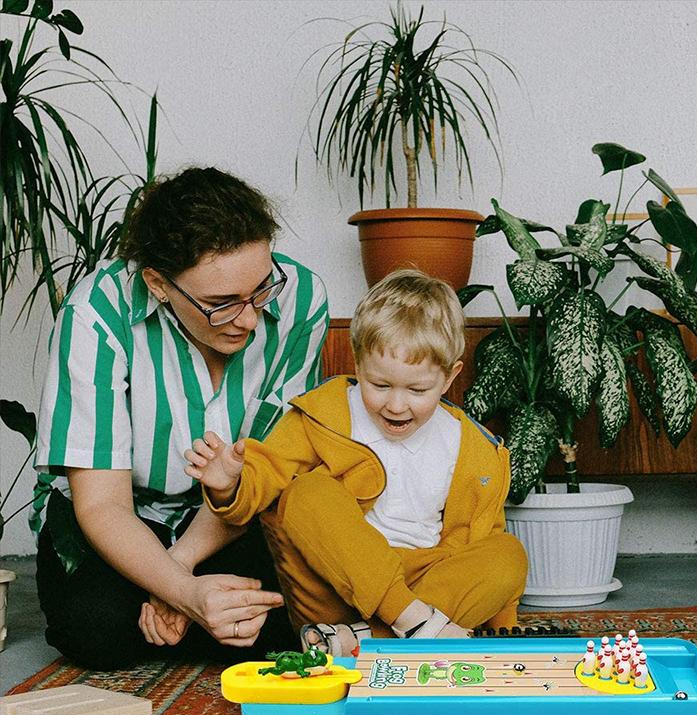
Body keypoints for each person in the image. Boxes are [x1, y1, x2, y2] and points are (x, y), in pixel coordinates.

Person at [33, 167, 328, 669]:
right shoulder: (95, 314)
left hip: (233, 515)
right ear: (158, 284)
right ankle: (187, 616)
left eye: (260, 290)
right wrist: (186, 593)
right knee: (97, 633)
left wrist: (180, 574)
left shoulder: (301, 298)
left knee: (273, 626)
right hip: (118, 518)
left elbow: (271, 471)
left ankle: (186, 614)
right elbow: (103, 506)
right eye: (221, 304)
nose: (251, 318)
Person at [186, 269, 528, 657]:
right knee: (308, 491)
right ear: (359, 363)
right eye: (380, 385)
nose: (396, 405)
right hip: (336, 589)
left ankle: (366, 640)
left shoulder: (475, 449)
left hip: (425, 591)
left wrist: (506, 636)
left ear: (450, 377)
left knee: (508, 552)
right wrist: (228, 484)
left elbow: (482, 541)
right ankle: (404, 622)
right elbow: (267, 474)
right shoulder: (324, 414)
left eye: (417, 390)